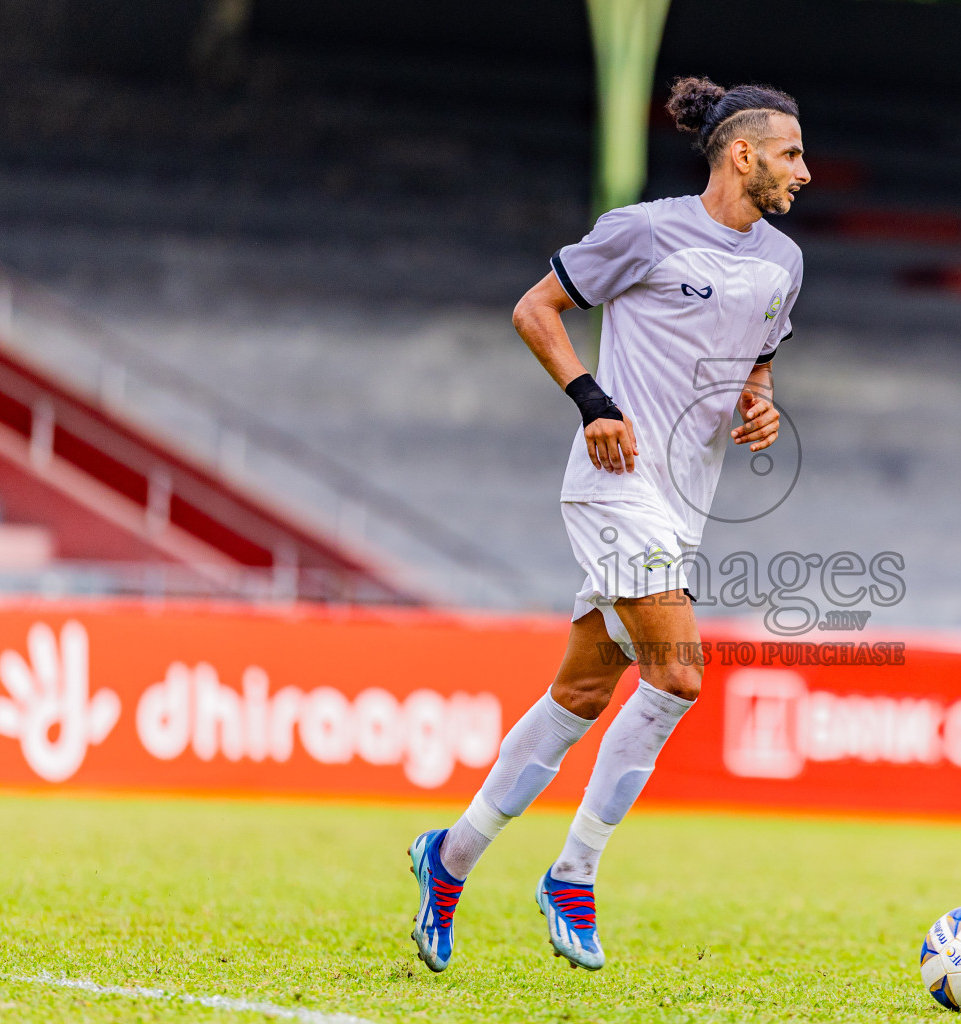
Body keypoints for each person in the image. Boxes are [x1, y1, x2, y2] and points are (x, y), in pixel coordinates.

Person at [404, 76, 808, 973]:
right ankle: (574, 874)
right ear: (742, 154)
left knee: (582, 694)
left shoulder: (784, 262)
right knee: (679, 674)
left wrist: (761, 405)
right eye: (790, 154)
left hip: (685, 501)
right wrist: (593, 401)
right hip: (612, 482)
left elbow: (756, 365)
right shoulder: (645, 229)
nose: (804, 172)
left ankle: (451, 855)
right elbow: (533, 308)